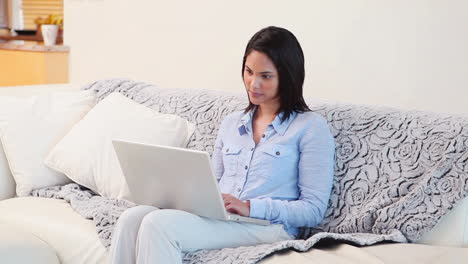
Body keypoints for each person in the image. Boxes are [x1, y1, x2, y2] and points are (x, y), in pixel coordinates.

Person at [109, 26, 335, 264]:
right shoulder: (231, 123)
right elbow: (212, 184)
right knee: (131, 218)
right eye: (249, 71)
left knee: (159, 225)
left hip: (270, 226)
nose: (253, 83)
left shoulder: (310, 127)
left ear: (287, 77)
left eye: (265, 76)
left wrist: (250, 207)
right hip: (223, 218)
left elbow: (312, 210)